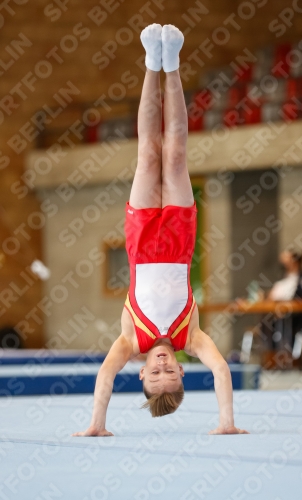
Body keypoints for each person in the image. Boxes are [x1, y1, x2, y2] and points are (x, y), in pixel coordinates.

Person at [73, 24, 248, 436]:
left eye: (155, 375)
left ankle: (153, 63)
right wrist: (227, 423)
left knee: (148, 155)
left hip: (141, 240)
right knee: (176, 154)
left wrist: (97, 424)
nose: (163, 366)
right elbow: (222, 369)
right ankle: (173, 64)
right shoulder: (194, 337)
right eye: (170, 374)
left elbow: (104, 378)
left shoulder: (130, 341)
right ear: (184, 374)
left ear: (142, 374)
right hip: (180, 237)